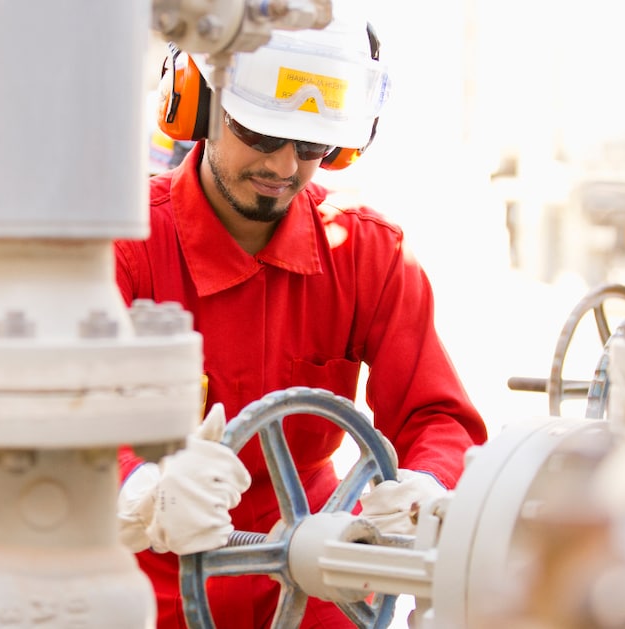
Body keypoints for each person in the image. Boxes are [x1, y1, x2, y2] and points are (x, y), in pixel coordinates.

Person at [115, 11, 488, 629]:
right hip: (150, 581)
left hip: (313, 570)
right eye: (261, 134)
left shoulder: (367, 253)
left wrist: (427, 485)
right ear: (199, 106)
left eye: (312, 145)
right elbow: (55, 419)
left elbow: (437, 415)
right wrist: (139, 490)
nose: (285, 167)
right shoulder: (122, 247)